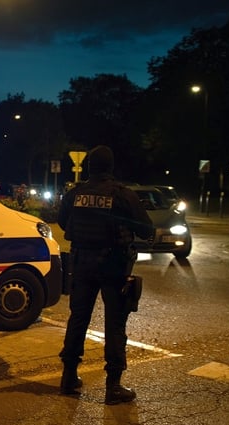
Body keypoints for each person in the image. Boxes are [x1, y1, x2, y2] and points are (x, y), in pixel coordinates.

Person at [57, 145, 154, 405]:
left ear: (89, 167)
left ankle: (68, 378)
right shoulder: (122, 195)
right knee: (114, 324)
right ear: (111, 167)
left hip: (81, 264)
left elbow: (64, 222)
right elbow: (146, 229)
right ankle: (113, 386)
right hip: (113, 265)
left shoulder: (75, 194)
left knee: (78, 319)